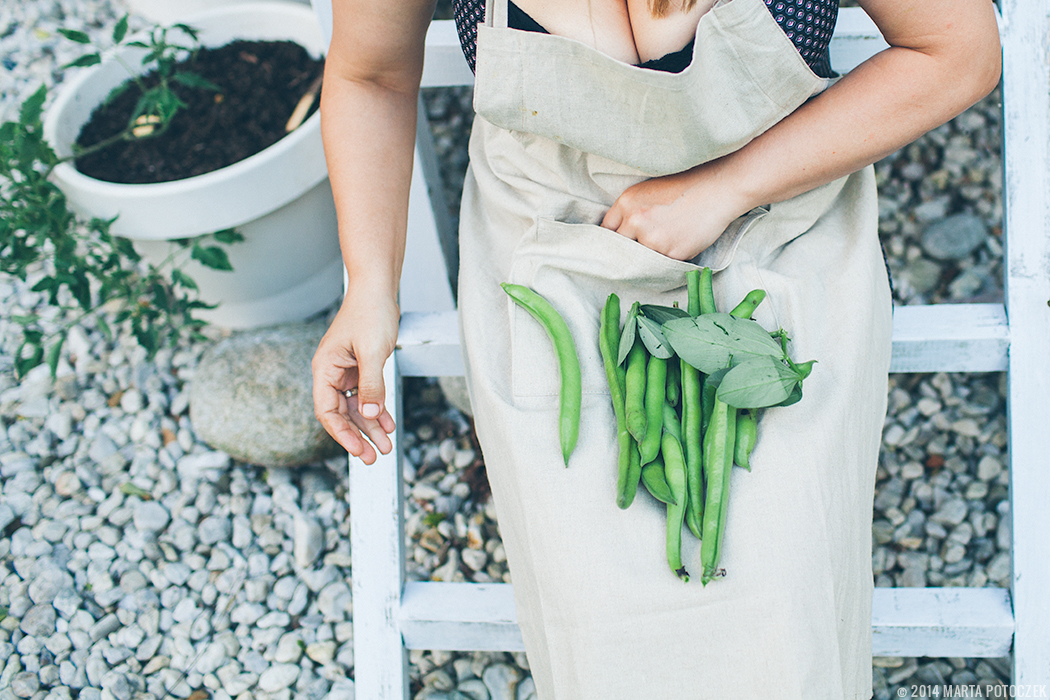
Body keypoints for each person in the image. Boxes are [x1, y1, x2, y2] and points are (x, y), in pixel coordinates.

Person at [312, 0, 1000, 697]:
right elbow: (371, 75)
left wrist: (723, 188)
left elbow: (956, 53)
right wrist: (369, 284)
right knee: (596, 612)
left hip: (776, 212)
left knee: (784, 597)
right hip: (549, 244)